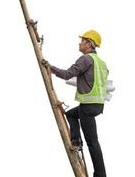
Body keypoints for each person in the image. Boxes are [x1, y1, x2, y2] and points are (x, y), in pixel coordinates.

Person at [42, 30, 108, 177]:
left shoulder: (85, 59)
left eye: (82, 41)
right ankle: (76, 140)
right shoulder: (101, 63)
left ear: (89, 44)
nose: (79, 43)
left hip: (87, 106)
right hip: (98, 105)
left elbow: (67, 74)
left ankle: (100, 175)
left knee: (92, 142)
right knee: (71, 114)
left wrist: (49, 68)